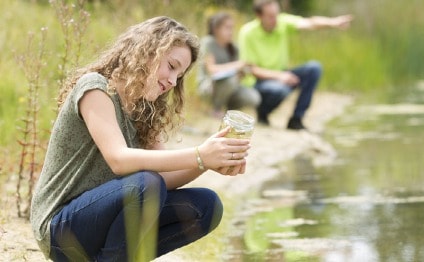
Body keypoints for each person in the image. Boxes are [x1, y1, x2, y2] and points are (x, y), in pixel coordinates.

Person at [30, 16, 251, 261]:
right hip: (61, 230)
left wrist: (206, 163)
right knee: (147, 183)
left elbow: (165, 178)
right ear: (146, 51)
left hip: (106, 224)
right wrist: (199, 153)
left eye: (180, 74)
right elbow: (119, 160)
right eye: (172, 65)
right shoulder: (96, 88)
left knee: (207, 205)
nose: (173, 80)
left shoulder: (146, 110)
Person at [238, 0, 353, 130]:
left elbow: (310, 23)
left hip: (283, 74)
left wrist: (332, 23)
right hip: (259, 82)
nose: (275, 20)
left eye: (276, 15)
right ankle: (263, 113)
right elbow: (250, 69)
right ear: (259, 16)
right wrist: (280, 76)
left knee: (314, 68)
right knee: (279, 89)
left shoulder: (282, 22)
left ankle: (296, 119)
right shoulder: (247, 33)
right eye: (270, 16)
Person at [198, 12, 261, 117]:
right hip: (209, 87)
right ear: (216, 29)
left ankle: (229, 112)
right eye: (227, 28)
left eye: (232, 28)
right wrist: (237, 65)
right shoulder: (208, 43)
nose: (231, 32)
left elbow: (236, 75)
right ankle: (215, 109)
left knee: (254, 97)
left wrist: (242, 72)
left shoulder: (234, 48)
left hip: (230, 88)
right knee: (231, 80)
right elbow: (211, 69)